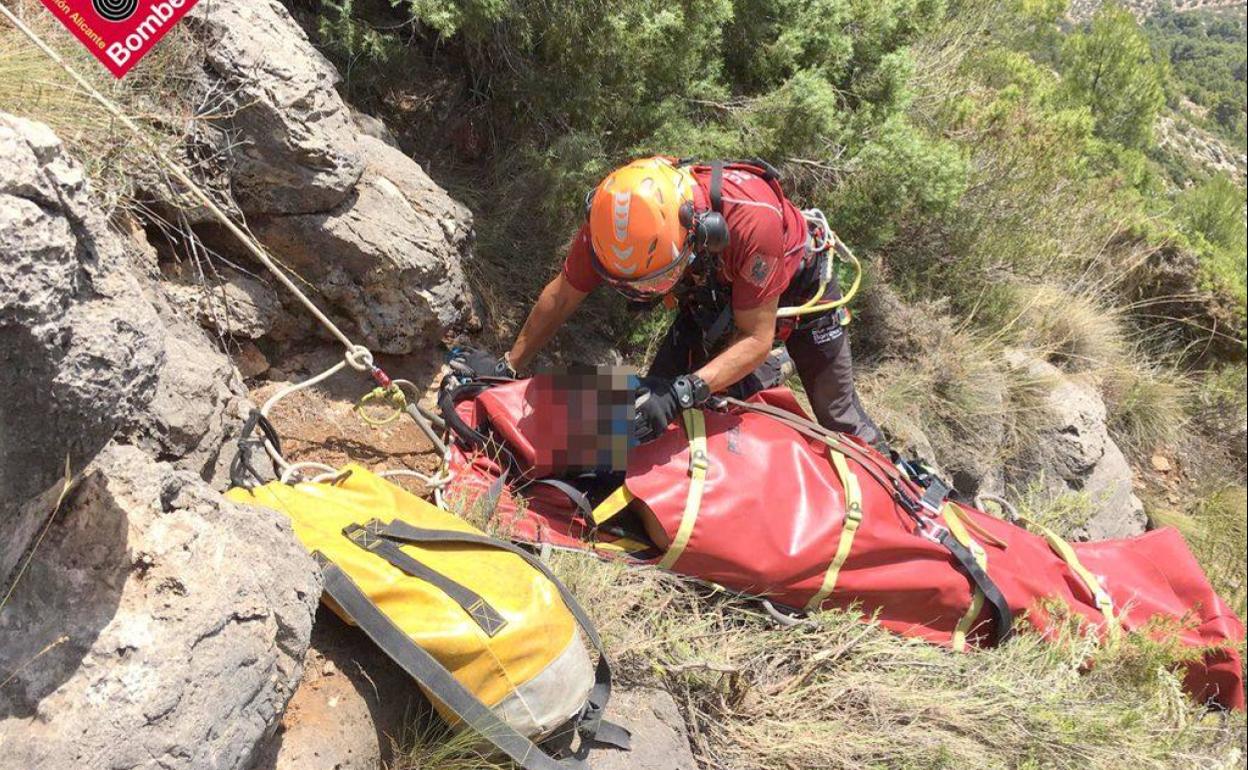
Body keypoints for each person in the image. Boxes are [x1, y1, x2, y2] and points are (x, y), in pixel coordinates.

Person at [458, 156, 884, 447]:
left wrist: (687, 390)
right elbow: (564, 293)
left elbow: (755, 337)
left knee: (838, 415)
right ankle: (768, 372)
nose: (645, 295)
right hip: (711, 287)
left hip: (796, 288)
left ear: (698, 232)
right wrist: (507, 367)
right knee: (652, 403)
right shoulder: (612, 223)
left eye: (657, 281)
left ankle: (910, 503)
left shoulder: (752, 220)